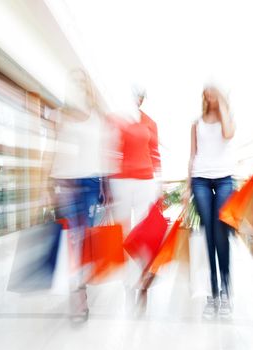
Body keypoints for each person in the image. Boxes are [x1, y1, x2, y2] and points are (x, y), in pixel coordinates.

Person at [43, 68, 109, 322]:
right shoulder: (60, 116)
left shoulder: (98, 118)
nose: (78, 86)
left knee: (87, 235)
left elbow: (104, 152)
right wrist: (44, 183)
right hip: (65, 182)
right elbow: (51, 149)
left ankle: (80, 281)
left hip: (92, 182)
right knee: (74, 237)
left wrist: (106, 186)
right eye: (74, 81)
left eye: (83, 81)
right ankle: (78, 294)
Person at [106, 87, 162, 305]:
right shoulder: (117, 119)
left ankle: (144, 273)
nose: (137, 99)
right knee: (124, 232)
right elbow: (110, 150)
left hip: (146, 180)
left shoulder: (150, 123)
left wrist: (159, 185)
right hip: (120, 180)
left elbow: (155, 154)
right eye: (134, 94)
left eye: (141, 95)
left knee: (143, 231)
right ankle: (129, 278)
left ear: (143, 98)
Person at [184, 86, 236, 319]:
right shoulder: (196, 123)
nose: (210, 94)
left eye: (215, 91)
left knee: (220, 235)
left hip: (224, 179)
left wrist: (224, 103)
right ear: (203, 94)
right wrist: (187, 189)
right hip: (200, 180)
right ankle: (211, 293)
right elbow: (193, 155)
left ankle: (225, 290)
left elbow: (228, 133)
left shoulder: (227, 117)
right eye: (207, 91)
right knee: (207, 237)